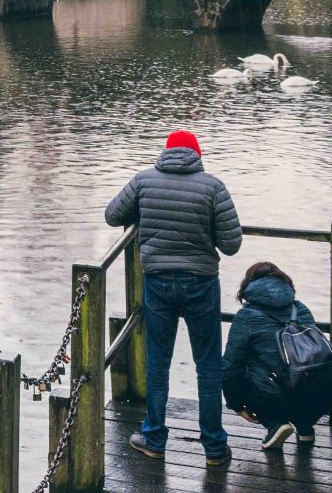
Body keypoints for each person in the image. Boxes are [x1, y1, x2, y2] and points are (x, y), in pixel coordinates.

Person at [105, 129, 242, 467]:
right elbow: (232, 244)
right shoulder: (213, 186)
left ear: (165, 152)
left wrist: (143, 213)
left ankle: (153, 438)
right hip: (201, 283)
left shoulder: (143, 181)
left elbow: (111, 215)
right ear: (197, 155)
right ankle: (213, 447)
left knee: (158, 361)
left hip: (158, 282)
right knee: (208, 365)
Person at [223, 261, 332, 450]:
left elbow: (231, 366)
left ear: (248, 287)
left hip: (274, 398)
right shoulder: (301, 309)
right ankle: (305, 427)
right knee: (305, 368)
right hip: (317, 396)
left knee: (245, 366)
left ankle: (275, 424)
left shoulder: (246, 316)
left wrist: (236, 405)